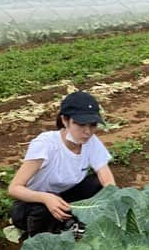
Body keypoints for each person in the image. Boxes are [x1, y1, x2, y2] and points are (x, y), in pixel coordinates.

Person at [8, 91, 116, 238]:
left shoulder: (91, 141)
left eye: (92, 125)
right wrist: (46, 198)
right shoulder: (46, 145)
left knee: (97, 184)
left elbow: (106, 177)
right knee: (42, 211)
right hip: (33, 203)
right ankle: (45, 236)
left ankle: (72, 223)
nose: (87, 131)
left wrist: (115, 198)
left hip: (65, 196)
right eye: (80, 124)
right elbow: (14, 188)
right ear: (65, 120)